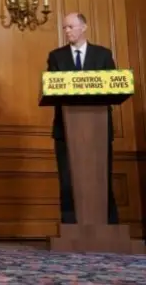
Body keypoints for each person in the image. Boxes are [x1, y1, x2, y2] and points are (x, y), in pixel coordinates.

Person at [46, 12, 118, 225]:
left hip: (99, 130)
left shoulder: (103, 54)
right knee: (68, 179)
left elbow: (114, 86)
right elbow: (52, 88)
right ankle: (71, 225)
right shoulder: (56, 56)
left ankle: (108, 224)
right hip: (66, 129)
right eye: (65, 28)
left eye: (71, 27)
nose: (67, 31)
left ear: (84, 27)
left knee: (101, 177)